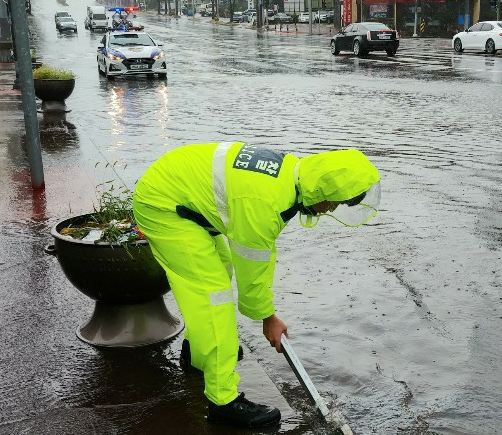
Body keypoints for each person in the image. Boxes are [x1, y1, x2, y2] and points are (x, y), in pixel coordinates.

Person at [132, 142, 381, 428]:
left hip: (179, 192)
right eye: (335, 202)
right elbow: (253, 271)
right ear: (324, 192)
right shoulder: (267, 204)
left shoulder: (293, 173)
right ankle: (223, 401)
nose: (331, 209)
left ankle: (198, 355)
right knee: (214, 298)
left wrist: (265, 314)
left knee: (219, 272)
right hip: (165, 206)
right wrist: (269, 318)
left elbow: (255, 256)